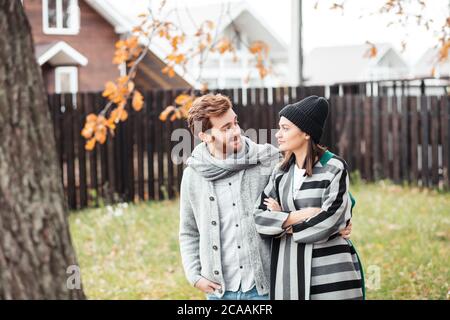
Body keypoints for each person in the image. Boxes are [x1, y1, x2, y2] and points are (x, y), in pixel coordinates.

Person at [179, 93, 353, 300]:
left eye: (235, 122)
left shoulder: (267, 159)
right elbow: (189, 231)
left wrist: (345, 217)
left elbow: (317, 182)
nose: (237, 131)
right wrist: (194, 275)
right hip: (219, 290)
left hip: (264, 286)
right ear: (205, 136)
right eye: (226, 128)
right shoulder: (194, 174)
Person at [254, 95, 364, 300]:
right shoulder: (280, 173)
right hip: (290, 275)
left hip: (330, 273)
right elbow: (259, 218)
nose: (278, 134)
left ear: (306, 132)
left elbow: (332, 219)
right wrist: (300, 215)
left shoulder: (334, 167)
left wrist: (283, 222)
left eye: (286, 128)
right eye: (279, 127)